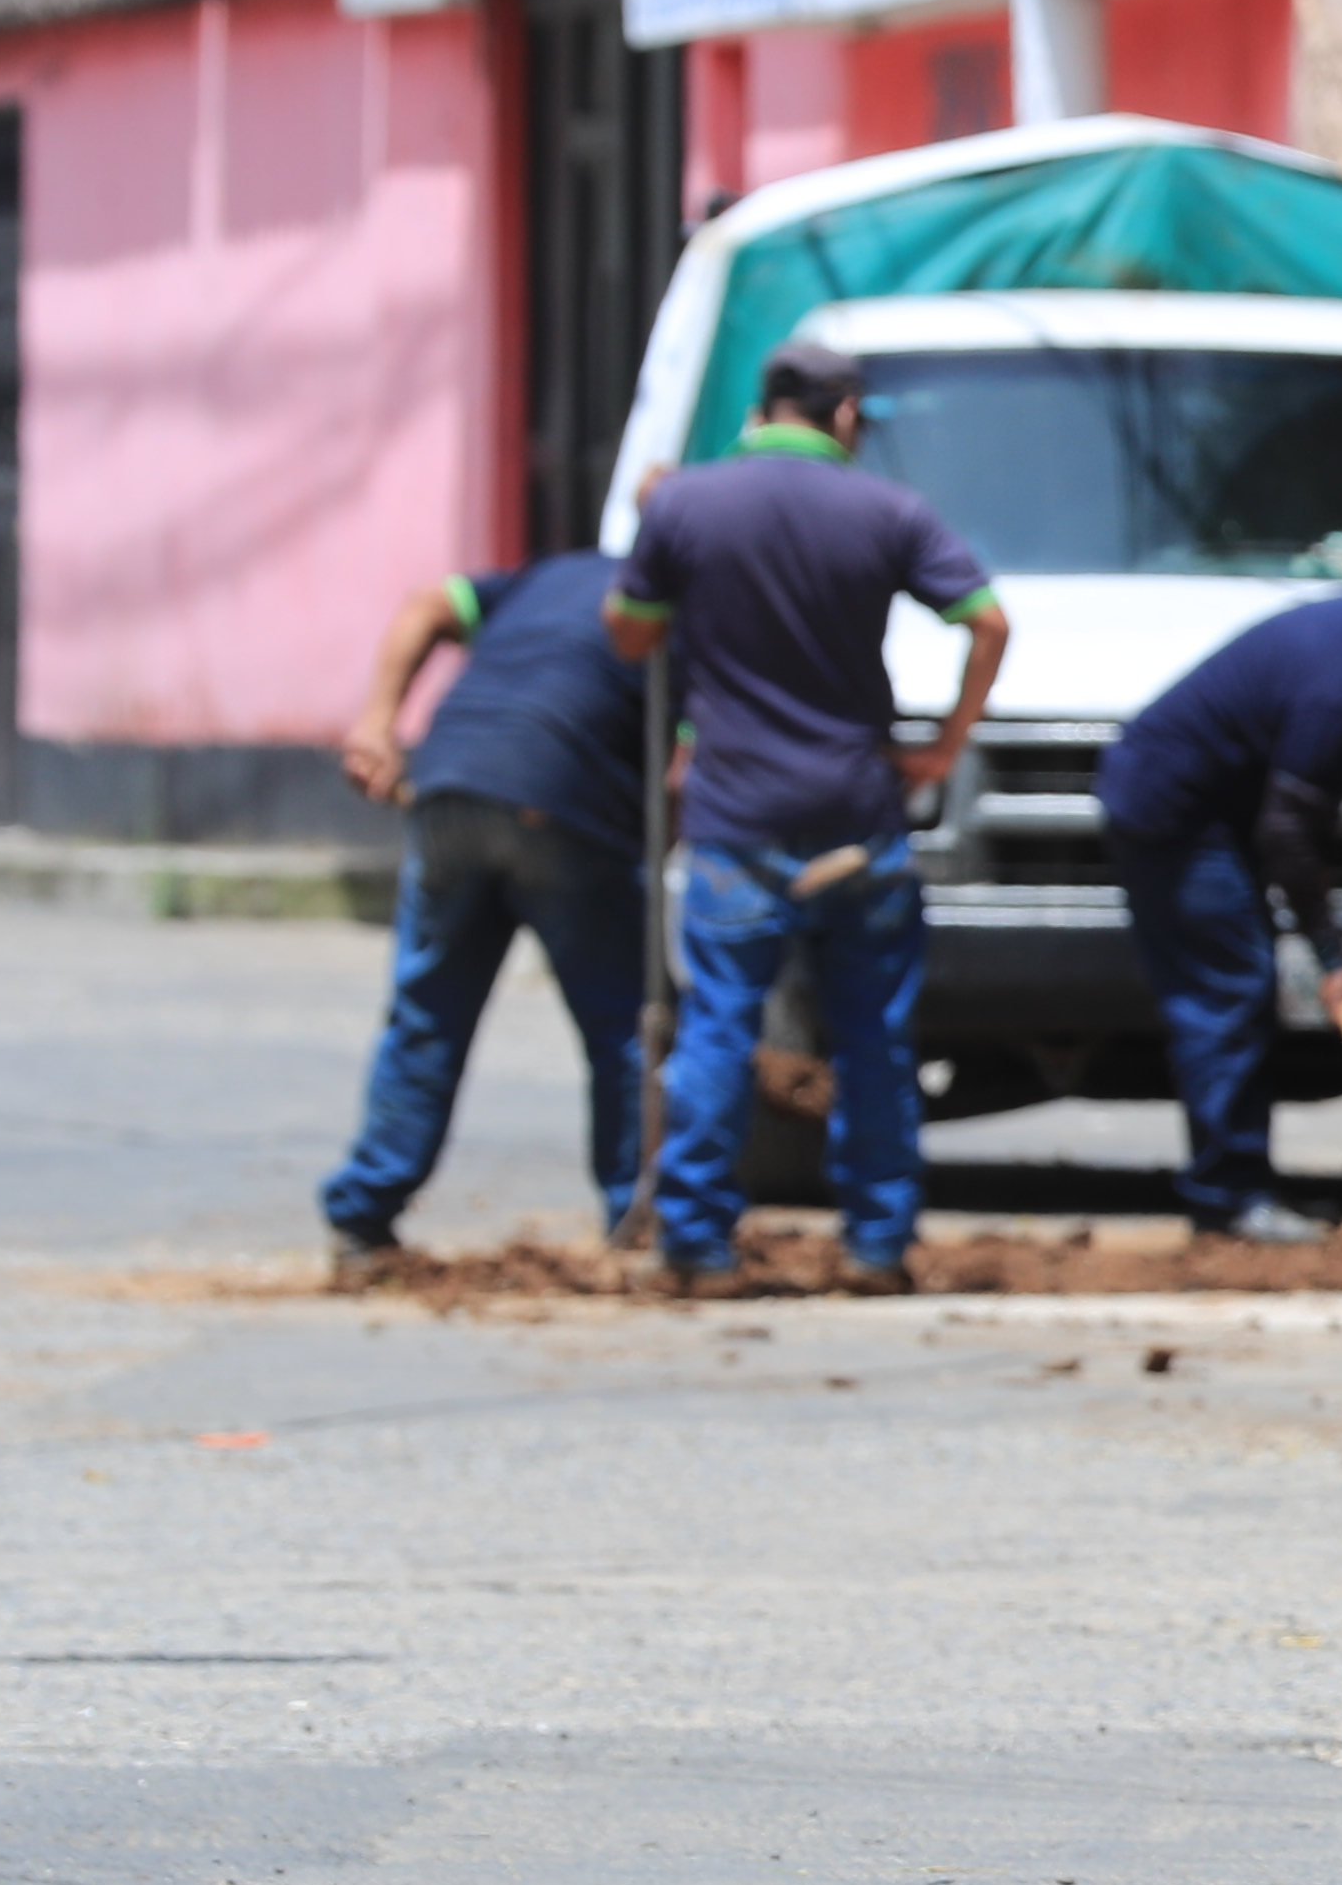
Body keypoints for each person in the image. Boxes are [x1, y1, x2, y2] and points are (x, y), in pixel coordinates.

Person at [606, 334, 1011, 1295]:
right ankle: (877, 1244)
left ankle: (695, 1243)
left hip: (735, 817)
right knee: (873, 1036)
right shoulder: (887, 510)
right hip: (856, 815)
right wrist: (945, 745)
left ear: (763, 410)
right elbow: (988, 620)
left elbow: (628, 633)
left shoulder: (686, 505)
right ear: (845, 414)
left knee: (718, 1027)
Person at [317, 550, 654, 1279]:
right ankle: (636, 1219)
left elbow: (427, 604)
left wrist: (376, 723)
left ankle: (362, 1219)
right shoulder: (680, 610)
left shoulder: (552, 577)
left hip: (449, 786)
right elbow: (688, 768)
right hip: (562, 801)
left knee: (427, 1015)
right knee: (625, 1027)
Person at [1094, 583, 1342, 1243]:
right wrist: (1330, 954)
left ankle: (1235, 1190)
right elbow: (1289, 831)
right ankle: (1229, 1199)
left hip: (1225, 807)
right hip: (1171, 809)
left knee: (1240, 981)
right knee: (1230, 989)